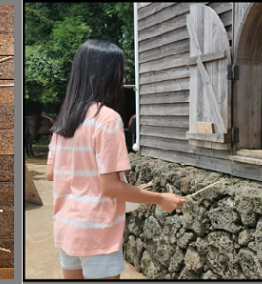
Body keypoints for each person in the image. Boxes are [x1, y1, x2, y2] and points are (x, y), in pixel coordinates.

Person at [46, 39, 186, 279]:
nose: (122, 79)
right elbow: (110, 187)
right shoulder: (107, 119)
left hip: (67, 229)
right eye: (119, 71)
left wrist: (126, 190)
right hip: (97, 233)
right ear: (104, 74)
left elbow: (52, 174)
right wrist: (161, 198)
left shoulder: (64, 121)